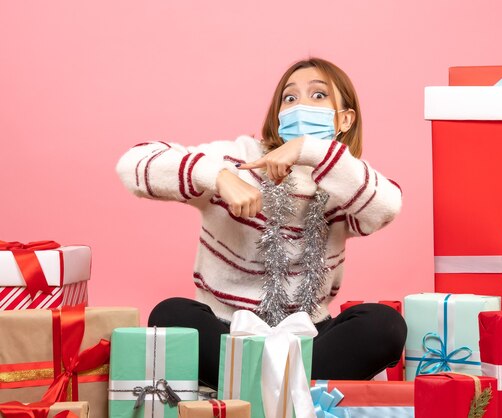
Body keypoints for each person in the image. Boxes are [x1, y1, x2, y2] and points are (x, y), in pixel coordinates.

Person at [116, 57, 406, 389]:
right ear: (278, 114)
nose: (301, 106)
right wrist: (218, 177)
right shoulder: (238, 157)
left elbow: (387, 206)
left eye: (318, 96)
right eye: (290, 98)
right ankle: (292, 392)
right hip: (228, 331)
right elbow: (133, 165)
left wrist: (308, 150)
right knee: (170, 316)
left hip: (311, 338)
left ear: (345, 118)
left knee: (385, 325)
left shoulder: (345, 177)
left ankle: (251, 389)